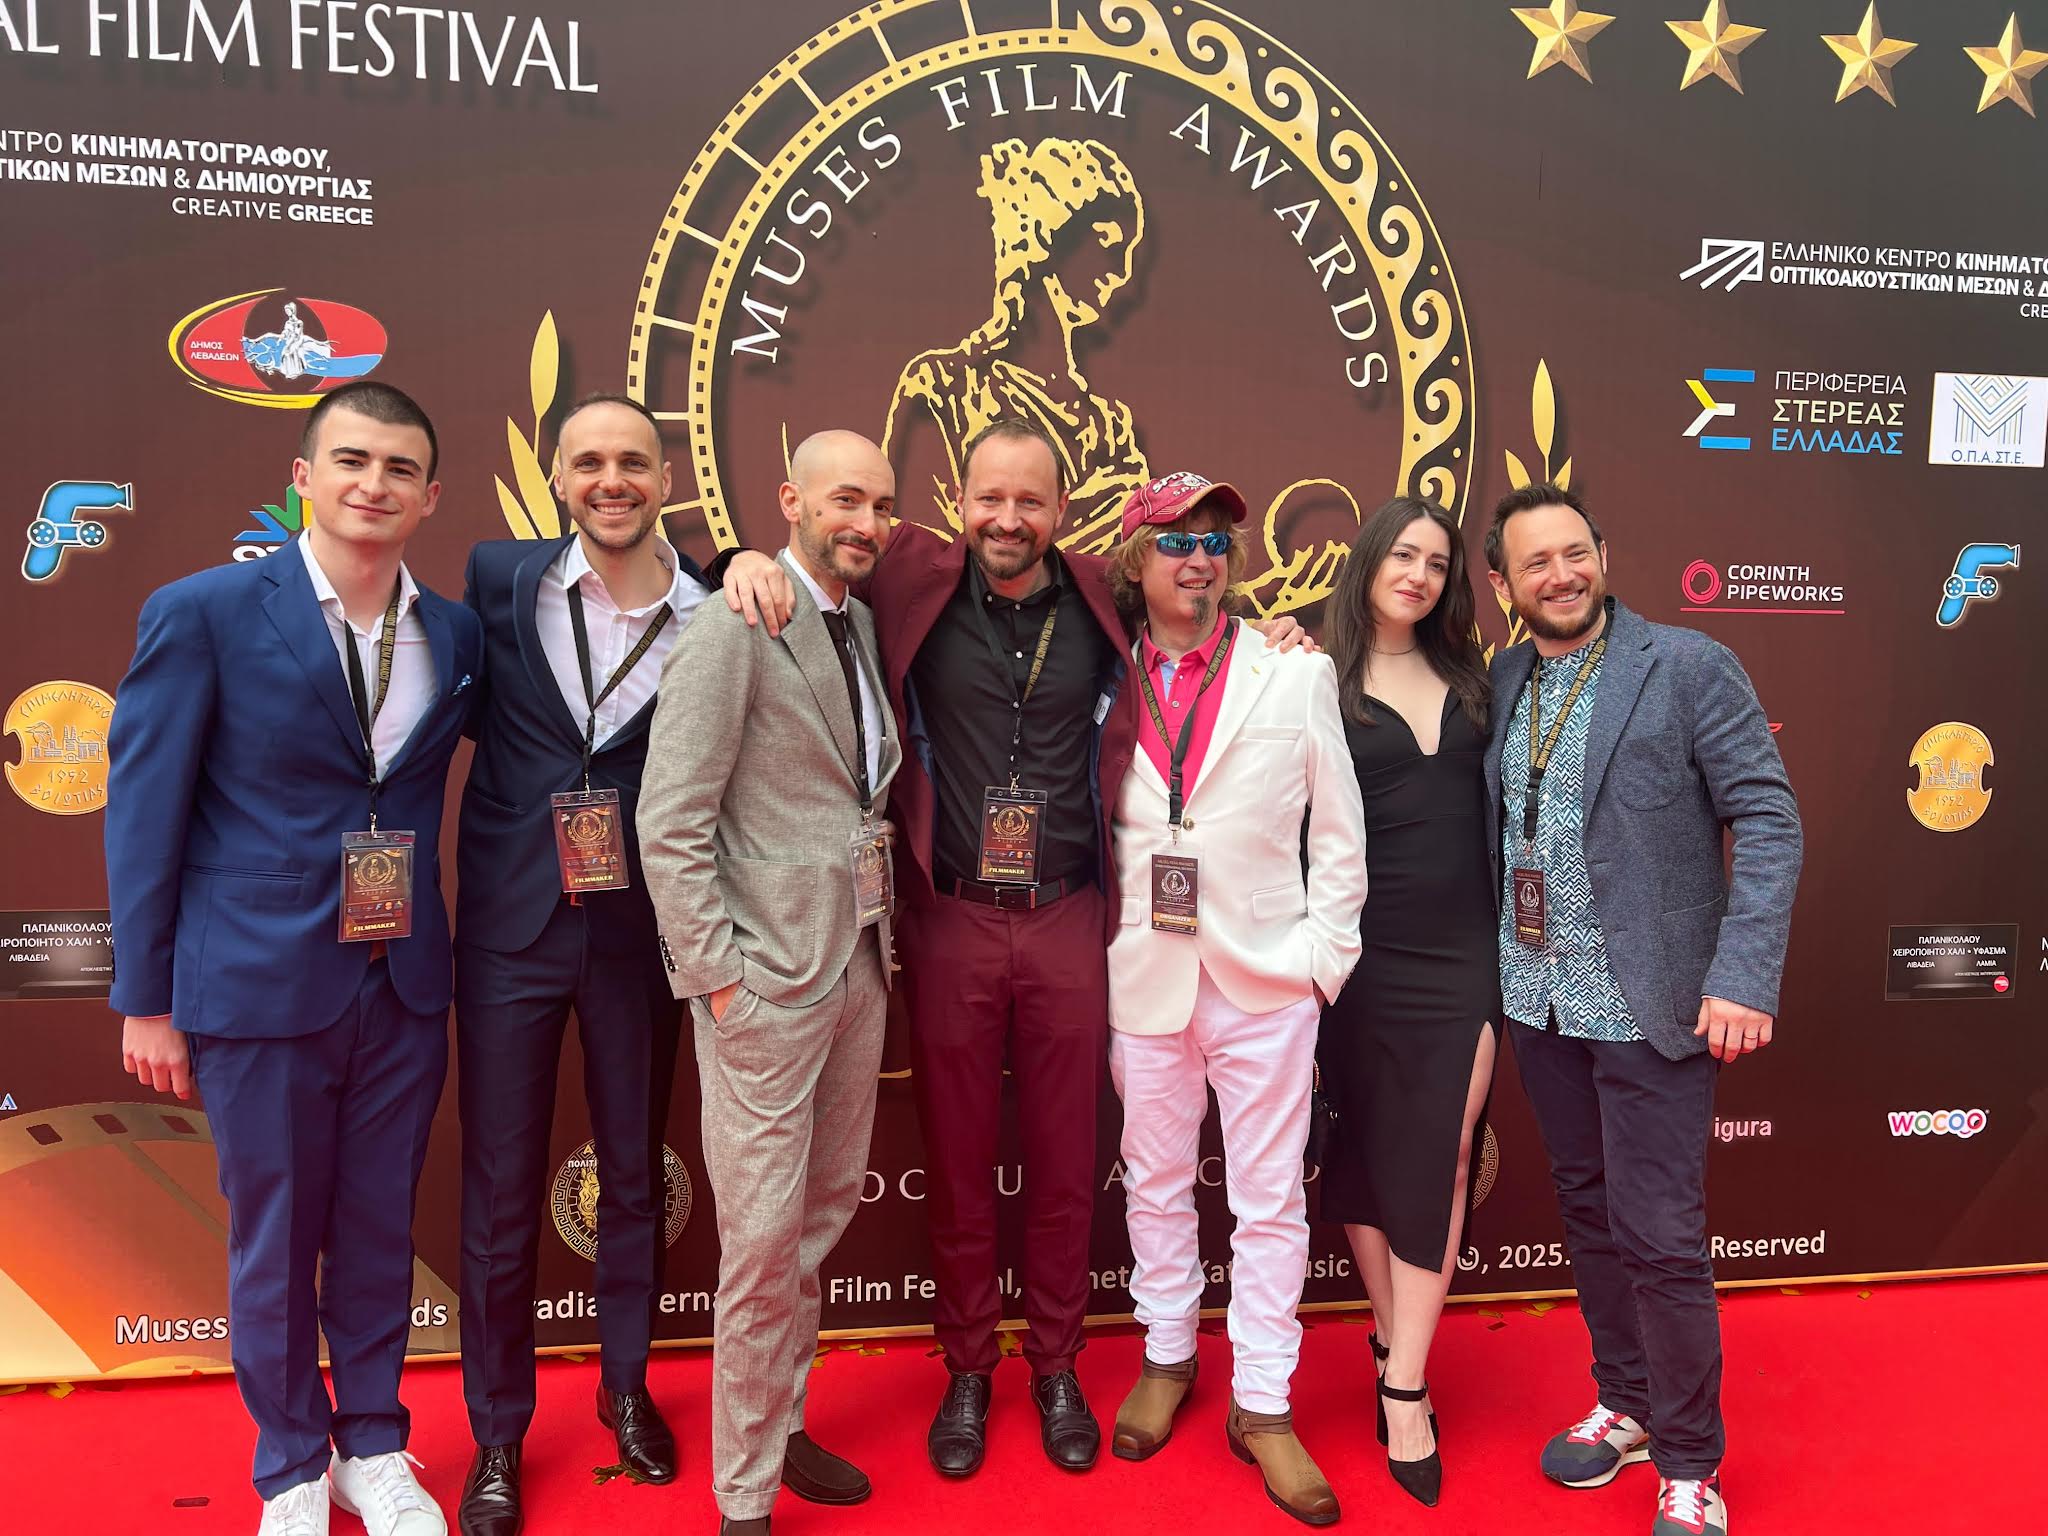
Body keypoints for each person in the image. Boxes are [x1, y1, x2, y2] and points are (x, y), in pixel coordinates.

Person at [718, 425, 1307, 1481]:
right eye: (989, 498)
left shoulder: (1101, 591)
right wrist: (738, 560)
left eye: (1029, 502)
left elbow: (1195, 599)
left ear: (1060, 510)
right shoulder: (909, 571)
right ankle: (965, 1369)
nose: (1007, 518)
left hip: (1070, 916)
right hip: (949, 918)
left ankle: (1056, 1365)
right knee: (954, 1160)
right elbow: (813, 553)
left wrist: (1282, 633)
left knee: (1067, 1159)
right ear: (958, 499)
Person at [107, 381, 483, 1536]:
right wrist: (147, 998)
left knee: (377, 1227)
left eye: (400, 468)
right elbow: (144, 812)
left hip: (403, 981)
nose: (375, 484)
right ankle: (288, 1468)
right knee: (273, 1238)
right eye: (352, 461)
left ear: (431, 495)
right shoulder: (206, 611)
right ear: (304, 477)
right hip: (255, 981)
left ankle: (373, 1445)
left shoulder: (454, 632)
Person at [450, 392, 792, 1536]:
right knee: (499, 1187)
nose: (612, 481)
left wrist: (742, 558)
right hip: (509, 929)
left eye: (633, 462)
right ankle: (497, 1432)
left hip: (642, 931)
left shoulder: (717, 604)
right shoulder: (498, 582)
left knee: (635, 1175)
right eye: (589, 462)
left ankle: (626, 1388)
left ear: (667, 478)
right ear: (556, 477)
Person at [1482, 483, 1802, 1536]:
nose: (1561, 574)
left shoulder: (1688, 665)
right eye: (1535, 562)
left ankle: (1689, 1462)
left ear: (1603, 554)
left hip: (1651, 1004)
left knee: (1660, 1236)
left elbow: (1766, 816)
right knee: (1587, 1213)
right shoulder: (1506, 677)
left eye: (1574, 552)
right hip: (1540, 1001)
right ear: (1502, 585)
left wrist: (1741, 974)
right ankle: (1623, 1400)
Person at [638, 430, 900, 1536]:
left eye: (881, 505)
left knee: (817, 1221)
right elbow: (669, 820)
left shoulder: (861, 623)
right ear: (790, 501)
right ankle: (742, 1495)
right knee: (757, 1247)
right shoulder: (730, 625)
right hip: (763, 984)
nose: (866, 523)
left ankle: (781, 1421)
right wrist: (718, 982)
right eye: (846, 499)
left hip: (857, 966)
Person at [1102, 473, 1366, 1528]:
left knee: (1271, 1202)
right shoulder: (1098, 673)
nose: (1198, 559)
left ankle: (1263, 1401)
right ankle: (1166, 1354)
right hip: (1142, 976)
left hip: (1266, 981)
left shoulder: (1294, 672)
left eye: (1215, 542)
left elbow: (1338, 833)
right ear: (1136, 561)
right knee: (1156, 1184)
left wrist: (1319, 964)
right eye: (1175, 542)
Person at [1314, 496, 1498, 1507]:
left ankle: (1405, 1384)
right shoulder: (1313, 675)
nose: (1418, 574)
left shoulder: (1478, 679)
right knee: (1371, 1150)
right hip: (1360, 954)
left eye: (1437, 561)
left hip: (1467, 951)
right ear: (1369, 560)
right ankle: (1392, 1336)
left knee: (1447, 1150)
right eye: (1403, 554)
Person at [883, 137, 1150, 547]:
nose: (1122, 271)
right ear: (1047, 238)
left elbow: (1131, 566)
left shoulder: (1107, 428)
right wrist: (1097, 518)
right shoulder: (943, 390)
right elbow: (918, 552)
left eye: (1129, 251)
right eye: (1109, 242)